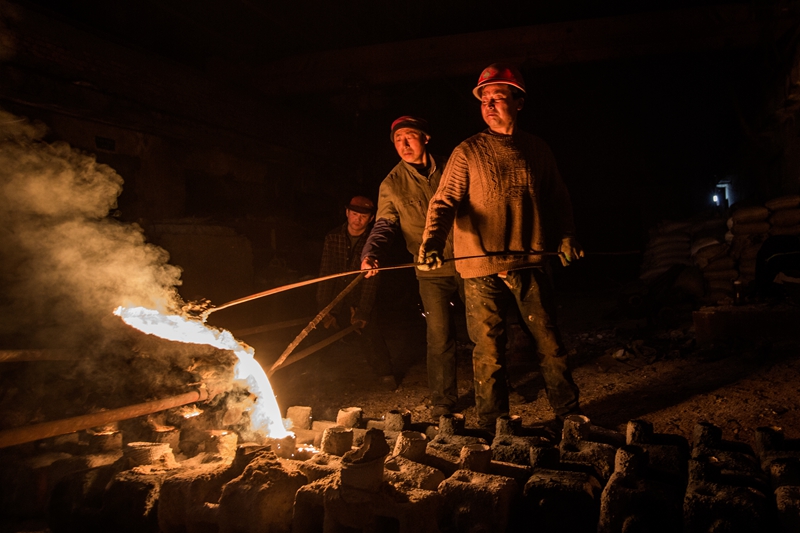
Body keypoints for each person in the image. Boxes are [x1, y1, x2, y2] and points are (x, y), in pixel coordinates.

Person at [418, 63, 584, 431]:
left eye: (499, 97)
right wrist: (432, 240)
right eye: (484, 100)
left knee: (549, 342)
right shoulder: (468, 152)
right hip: (480, 267)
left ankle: (569, 415)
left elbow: (558, 198)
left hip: (530, 259)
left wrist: (568, 235)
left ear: (519, 102)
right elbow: (444, 202)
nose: (490, 105)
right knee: (489, 352)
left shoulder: (537, 149)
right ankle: (495, 425)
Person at [361, 116, 462, 417]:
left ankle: (492, 401)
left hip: (470, 262)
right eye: (397, 140)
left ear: (425, 137)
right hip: (430, 271)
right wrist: (371, 252)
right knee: (439, 335)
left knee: (484, 333)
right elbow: (384, 225)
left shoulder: (453, 168)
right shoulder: (391, 184)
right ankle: (443, 403)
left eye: (410, 136)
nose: (404, 144)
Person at [318, 195, 397, 389]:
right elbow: (326, 273)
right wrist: (324, 308)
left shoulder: (374, 243)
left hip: (361, 294)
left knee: (370, 330)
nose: (357, 219)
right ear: (347, 213)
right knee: (320, 329)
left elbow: (372, 282)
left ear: (371, 219)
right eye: (354, 214)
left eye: (363, 216)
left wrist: (362, 311)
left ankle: (385, 374)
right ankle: (316, 377)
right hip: (337, 295)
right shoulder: (333, 237)